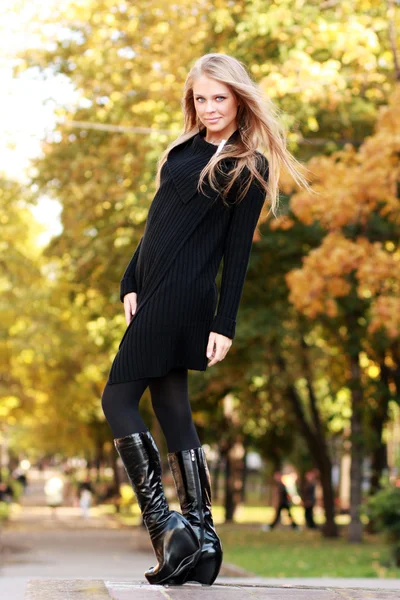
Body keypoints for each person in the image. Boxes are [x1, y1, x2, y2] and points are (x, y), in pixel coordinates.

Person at [101, 53, 311, 586]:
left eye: (220, 97)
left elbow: (237, 253)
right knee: (171, 403)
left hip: (184, 295)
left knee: (118, 399)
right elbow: (158, 224)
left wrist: (226, 323)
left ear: (239, 99)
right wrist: (129, 280)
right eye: (201, 98)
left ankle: (167, 529)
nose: (210, 107)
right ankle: (204, 538)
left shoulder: (248, 164)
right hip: (151, 291)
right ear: (191, 101)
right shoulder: (182, 151)